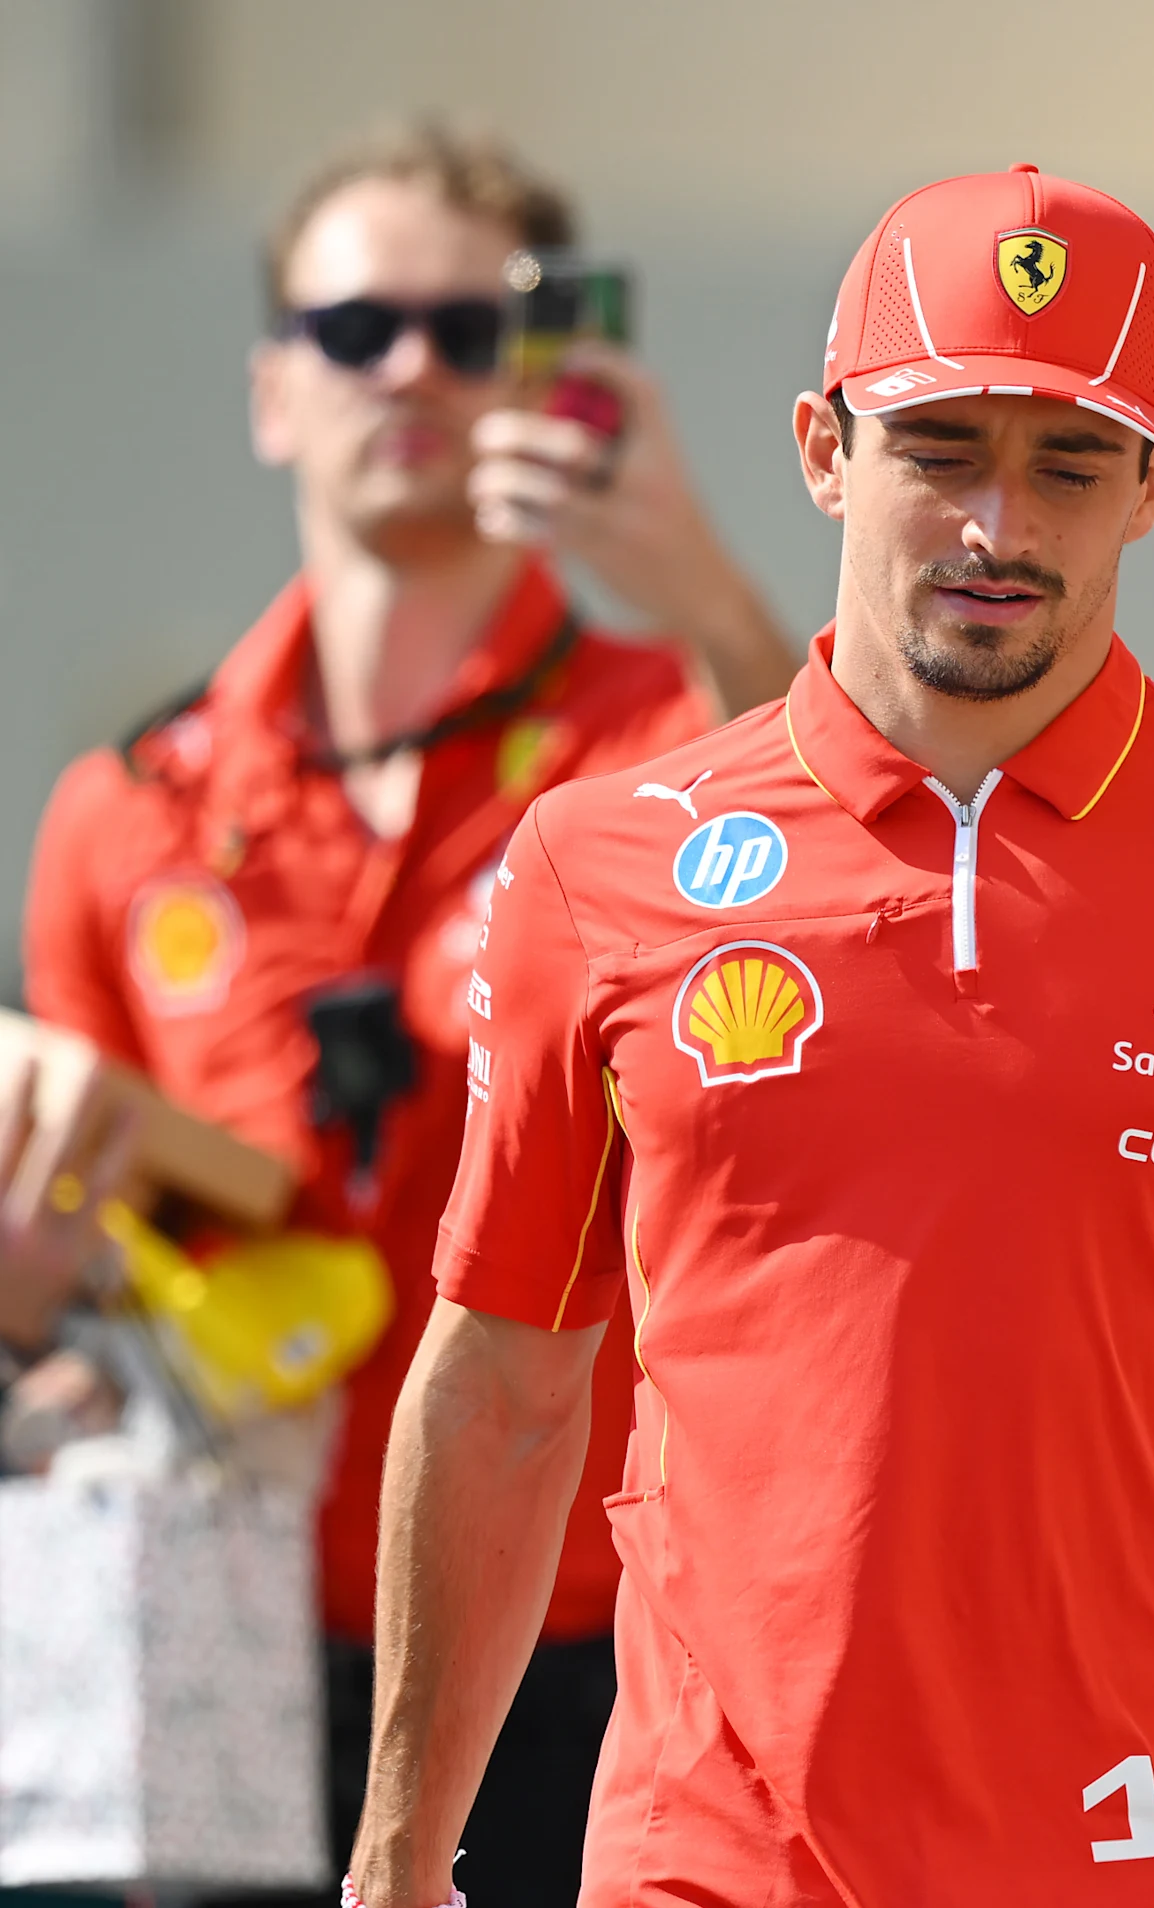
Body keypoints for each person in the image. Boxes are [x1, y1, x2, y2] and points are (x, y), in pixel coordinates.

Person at [341, 165, 1154, 1908]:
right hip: (710, 1862)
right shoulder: (599, 861)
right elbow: (504, 1378)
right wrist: (397, 1862)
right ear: (825, 449)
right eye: (941, 449)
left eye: (1070, 463)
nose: (999, 527)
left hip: (1148, 1852)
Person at [0, 121, 791, 1904]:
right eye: (358, 331)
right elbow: (82, 1291)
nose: (412, 368)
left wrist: (706, 590)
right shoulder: (123, 812)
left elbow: (854, 891)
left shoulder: (672, 734)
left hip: (594, 1654)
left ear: (550, 373)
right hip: (217, 1641)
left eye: (469, 328)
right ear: (276, 387)